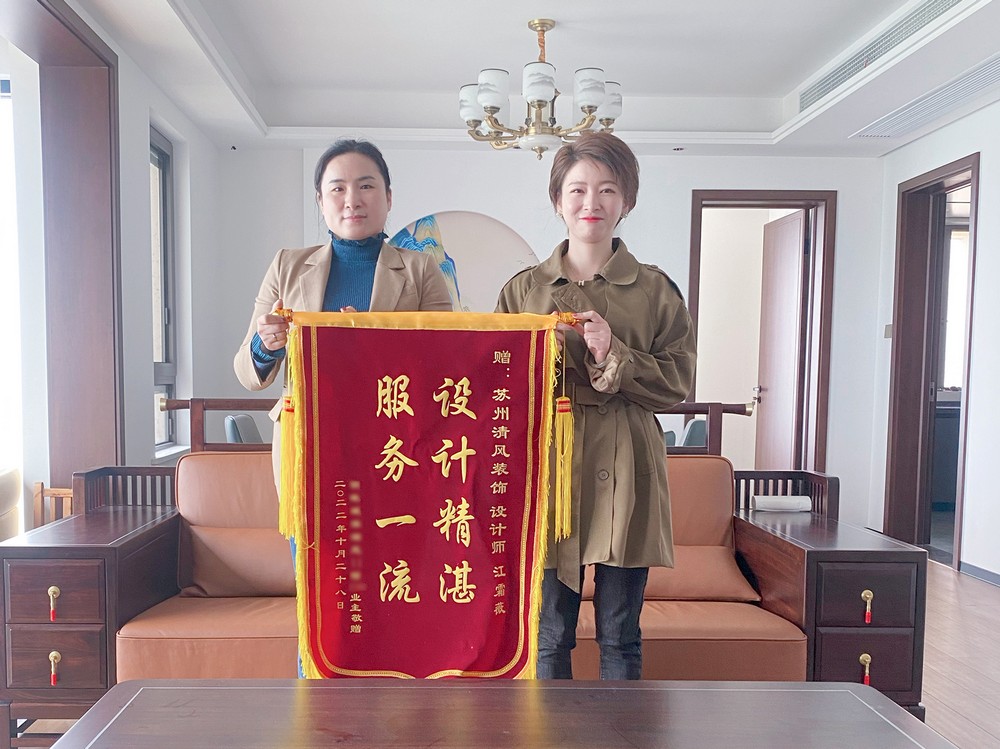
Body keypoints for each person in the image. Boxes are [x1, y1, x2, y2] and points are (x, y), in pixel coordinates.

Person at [496, 132, 696, 680]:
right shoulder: (523, 292)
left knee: (620, 636)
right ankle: (548, 730)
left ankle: (618, 729)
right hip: (550, 466)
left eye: (607, 189)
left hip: (628, 462)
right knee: (548, 634)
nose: (592, 202)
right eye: (578, 189)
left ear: (626, 200)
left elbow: (677, 383)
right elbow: (499, 386)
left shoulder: (655, 290)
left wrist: (615, 353)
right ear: (558, 200)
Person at [234, 139, 454, 482]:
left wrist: (373, 341)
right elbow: (247, 374)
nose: (352, 200)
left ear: (388, 197)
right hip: (306, 441)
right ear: (321, 201)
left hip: (395, 443)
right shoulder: (286, 266)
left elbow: (445, 364)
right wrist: (266, 345)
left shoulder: (422, 269)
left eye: (366, 186)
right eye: (337, 188)